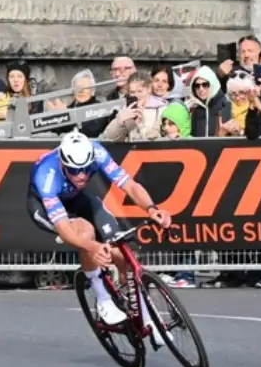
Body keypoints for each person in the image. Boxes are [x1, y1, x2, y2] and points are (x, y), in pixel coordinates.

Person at [27, 131, 172, 326]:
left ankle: (132, 302)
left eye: (86, 169)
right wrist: (93, 247)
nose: (81, 175)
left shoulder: (97, 152)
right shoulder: (46, 175)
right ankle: (103, 299)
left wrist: (152, 208)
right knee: (85, 233)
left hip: (77, 198)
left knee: (122, 251)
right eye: (74, 170)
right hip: (45, 207)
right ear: (62, 163)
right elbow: (65, 230)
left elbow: (129, 185)